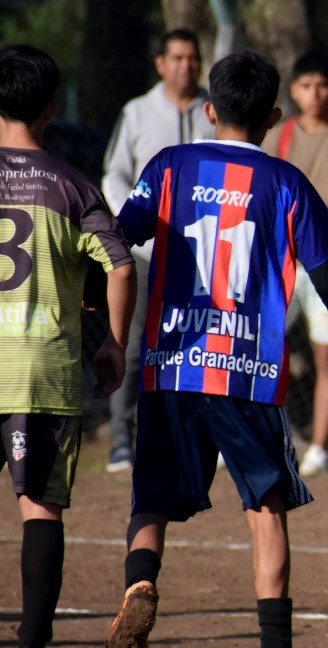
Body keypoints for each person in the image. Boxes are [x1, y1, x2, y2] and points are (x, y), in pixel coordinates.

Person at [102, 50, 328, 648]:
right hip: (246, 371)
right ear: (273, 116)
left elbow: (117, 238)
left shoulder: (168, 166)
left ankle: (140, 585)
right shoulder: (287, 182)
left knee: (152, 498)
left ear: (209, 110)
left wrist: (86, 306)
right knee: (266, 506)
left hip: (171, 365)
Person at [0, 44, 136, 648]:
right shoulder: (73, 184)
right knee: (41, 511)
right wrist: (113, 341)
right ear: (51, 106)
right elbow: (122, 263)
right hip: (42, 371)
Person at [100, 29, 213, 474]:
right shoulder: (138, 112)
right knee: (132, 345)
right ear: (160, 63)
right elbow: (115, 174)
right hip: (147, 253)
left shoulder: (213, 110)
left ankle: (196, 435)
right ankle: (120, 439)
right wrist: (134, 223)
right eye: (178, 57)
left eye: (193, 57)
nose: (186, 65)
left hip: (202, 254)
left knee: (198, 343)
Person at [262, 52, 328, 475]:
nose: (315, 94)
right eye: (306, 86)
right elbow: (265, 188)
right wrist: (319, 194)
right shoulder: (281, 135)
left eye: (323, 85)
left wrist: (294, 191)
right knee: (258, 347)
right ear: (293, 91)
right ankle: (250, 432)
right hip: (280, 259)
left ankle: (319, 450)